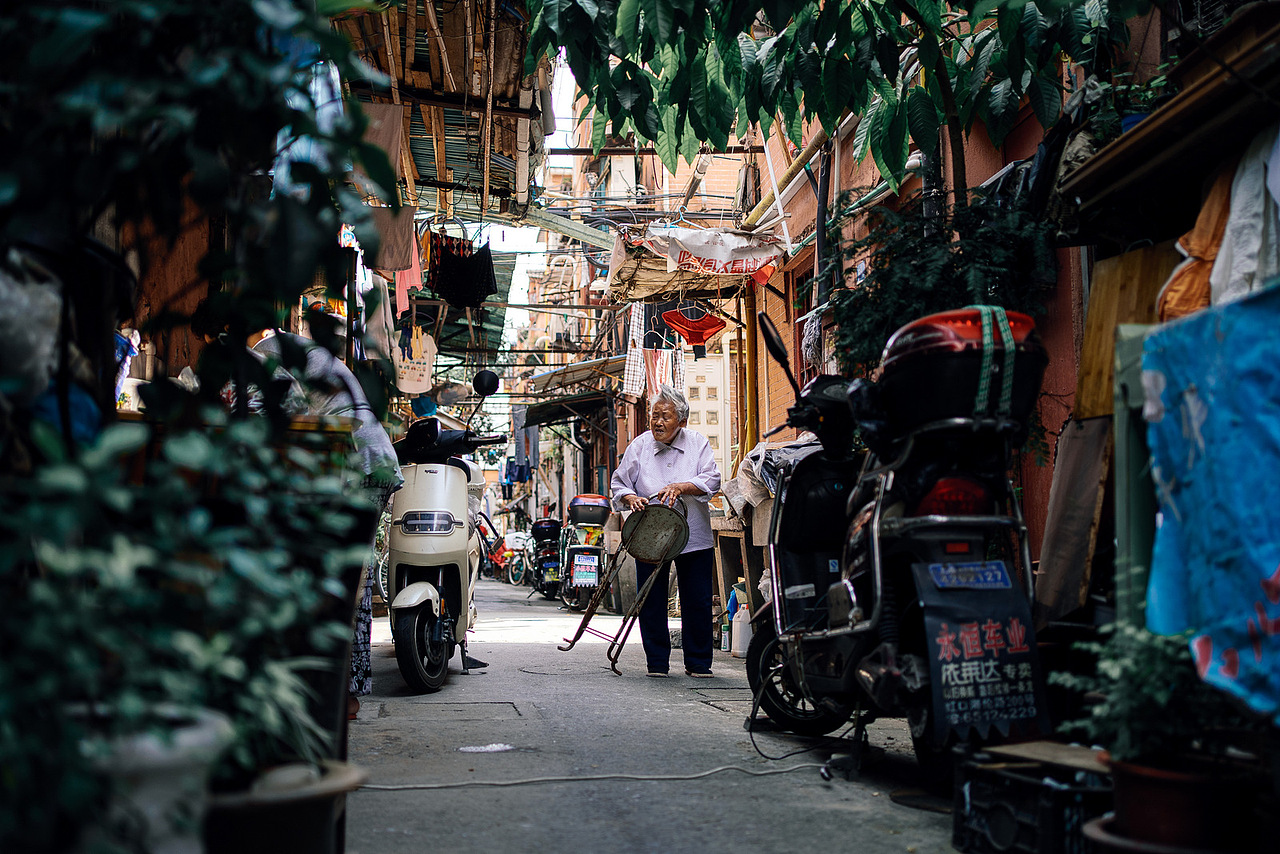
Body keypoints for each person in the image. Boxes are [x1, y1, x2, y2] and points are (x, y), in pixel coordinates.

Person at [610, 385, 722, 677]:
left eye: (665, 417)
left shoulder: (697, 443)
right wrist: (630, 497)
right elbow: (619, 483)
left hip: (693, 532)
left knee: (697, 598)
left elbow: (712, 479)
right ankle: (657, 661)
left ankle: (698, 662)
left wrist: (682, 486)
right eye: (654, 416)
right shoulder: (639, 446)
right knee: (651, 597)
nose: (657, 422)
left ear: (682, 421)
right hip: (650, 534)